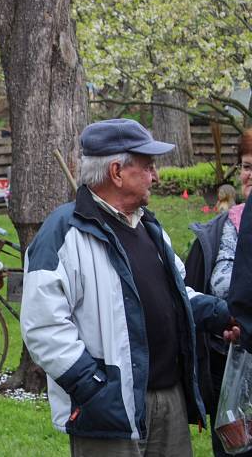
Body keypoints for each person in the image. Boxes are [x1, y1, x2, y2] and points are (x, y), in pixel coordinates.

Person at [21, 118, 235, 456]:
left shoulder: (149, 228)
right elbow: (42, 327)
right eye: (148, 166)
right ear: (117, 172)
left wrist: (223, 315)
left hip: (169, 401)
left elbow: (179, 294)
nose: (156, 176)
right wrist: (94, 390)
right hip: (109, 413)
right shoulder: (64, 233)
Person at [187, 129, 252, 456]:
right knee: (234, 448)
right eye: (246, 166)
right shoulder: (227, 226)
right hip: (231, 361)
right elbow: (221, 283)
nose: (250, 175)